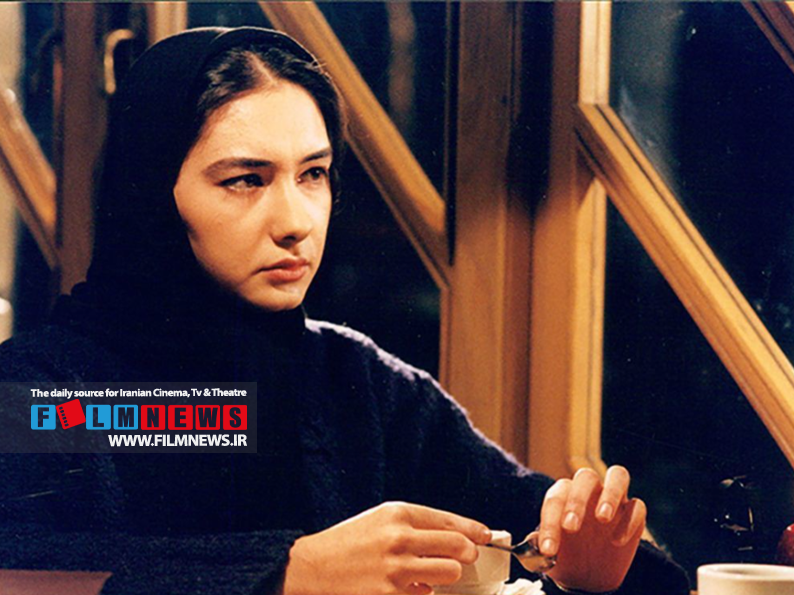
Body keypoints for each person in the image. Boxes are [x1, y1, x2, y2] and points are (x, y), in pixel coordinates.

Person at [0, 27, 689, 595]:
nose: (296, 221)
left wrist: (592, 570)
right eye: (245, 180)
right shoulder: (41, 391)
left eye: (314, 174)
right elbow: (26, 568)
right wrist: (290, 571)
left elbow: (551, 532)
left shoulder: (358, 382)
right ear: (152, 195)